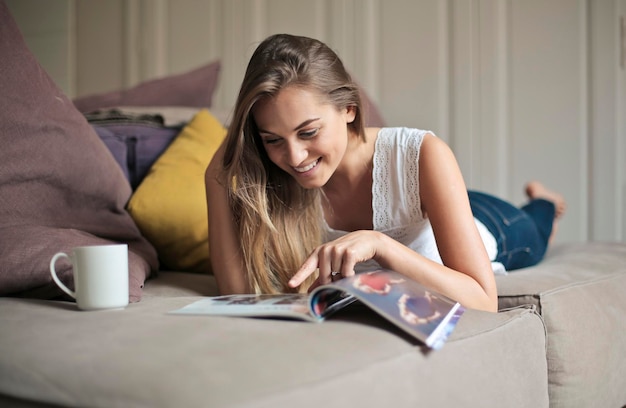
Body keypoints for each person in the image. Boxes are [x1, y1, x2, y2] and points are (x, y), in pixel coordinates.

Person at [205, 33, 566, 312]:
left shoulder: (423, 154)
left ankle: (546, 199)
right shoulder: (276, 171)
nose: (295, 156)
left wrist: (378, 243)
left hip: (494, 225)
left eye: (309, 132)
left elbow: (483, 301)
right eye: (273, 139)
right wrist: (214, 178)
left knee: (535, 223)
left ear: (348, 109)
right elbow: (238, 295)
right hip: (434, 205)